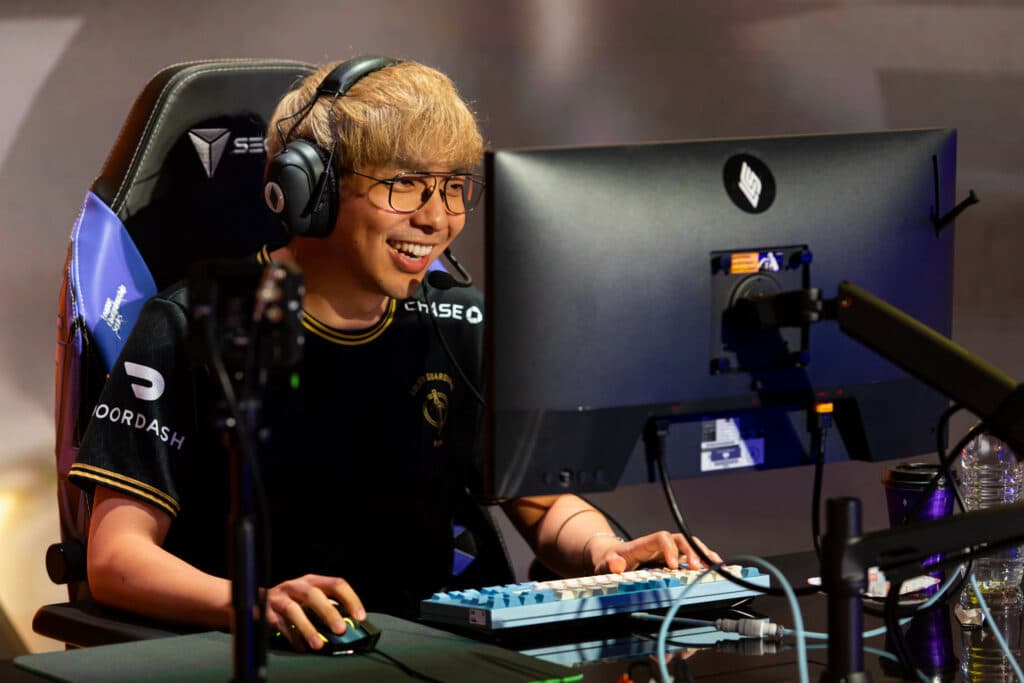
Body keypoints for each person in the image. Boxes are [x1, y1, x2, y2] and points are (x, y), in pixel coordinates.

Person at [69, 56, 721, 653]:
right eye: (406, 184)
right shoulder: (186, 326)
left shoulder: (462, 322)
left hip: (440, 655)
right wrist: (254, 603)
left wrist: (609, 552)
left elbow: (545, 506)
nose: (437, 218)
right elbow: (116, 560)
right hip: (271, 654)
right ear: (311, 191)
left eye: (454, 186)